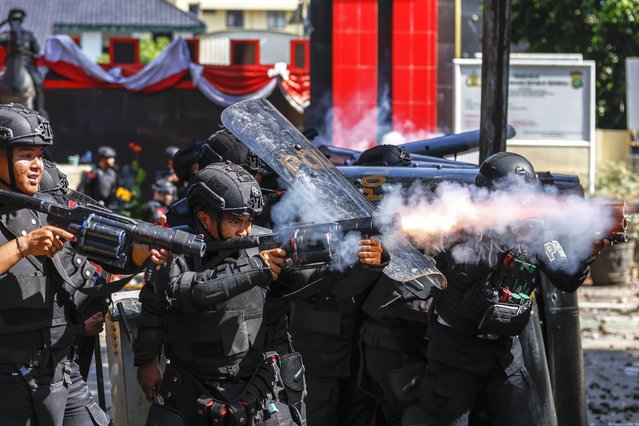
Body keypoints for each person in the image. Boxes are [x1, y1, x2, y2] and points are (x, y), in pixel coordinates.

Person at [134, 162, 385, 426]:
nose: (244, 231)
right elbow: (178, 295)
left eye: (249, 221)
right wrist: (147, 360)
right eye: (234, 221)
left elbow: (319, 289)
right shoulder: (175, 250)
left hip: (258, 385)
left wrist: (363, 264)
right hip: (192, 388)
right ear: (205, 218)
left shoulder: (264, 246)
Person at [0, 103, 168, 425]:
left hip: (64, 372)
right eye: (25, 155)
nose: (36, 165)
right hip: (8, 382)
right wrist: (23, 245)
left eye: (40, 155)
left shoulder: (50, 206)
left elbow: (104, 258)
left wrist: (144, 249)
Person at [420, 152, 608, 425]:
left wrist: (590, 251)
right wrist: (509, 239)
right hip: (456, 352)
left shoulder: (534, 229)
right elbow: (464, 271)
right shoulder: (461, 221)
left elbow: (567, 279)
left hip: (505, 354)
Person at [0, 9, 47, 116]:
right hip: (9, 65)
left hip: (26, 64)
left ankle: (40, 110)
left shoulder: (28, 35)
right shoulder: (6, 36)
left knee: (38, 82)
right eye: (13, 20)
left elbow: (37, 52)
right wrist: (3, 23)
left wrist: (33, 54)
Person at [79, 145, 119, 210]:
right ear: (102, 159)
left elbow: (113, 191)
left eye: (113, 158)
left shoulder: (112, 174)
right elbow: (84, 188)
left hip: (105, 207)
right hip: (92, 206)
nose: (113, 160)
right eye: (110, 158)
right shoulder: (93, 172)